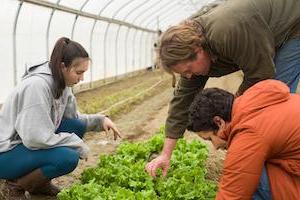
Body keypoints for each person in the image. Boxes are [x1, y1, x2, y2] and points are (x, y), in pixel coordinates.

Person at [146, 0, 300, 178]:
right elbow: (182, 101)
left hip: (293, 24)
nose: (188, 76)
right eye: (183, 73)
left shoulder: (227, 31)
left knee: (269, 97)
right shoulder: (194, 54)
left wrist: (233, 112)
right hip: (264, 30)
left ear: (198, 50)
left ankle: (273, 170)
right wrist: (165, 155)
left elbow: (260, 75)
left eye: (188, 70)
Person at [0, 37, 121, 199]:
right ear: (63, 67)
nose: (82, 78)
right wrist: (77, 144)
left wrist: (101, 120)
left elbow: (73, 119)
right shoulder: (37, 86)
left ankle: (38, 186)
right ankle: (14, 186)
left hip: (25, 145)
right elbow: (35, 138)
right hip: (7, 152)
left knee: (76, 126)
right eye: (79, 73)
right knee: (67, 157)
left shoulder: (63, 84)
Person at [186, 79, 300, 199]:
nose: (215, 146)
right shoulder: (254, 101)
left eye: (210, 139)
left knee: (248, 179)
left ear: (219, 122)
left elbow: (231, 195)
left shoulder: (249, 133)